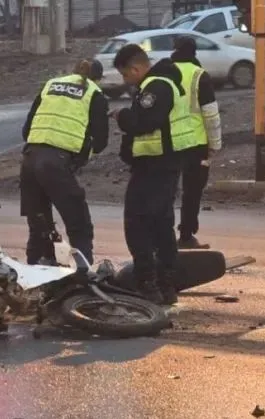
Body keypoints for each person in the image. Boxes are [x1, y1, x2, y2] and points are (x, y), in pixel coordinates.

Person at [112, 43, 193, 306]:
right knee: (161, 226)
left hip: (154, 166)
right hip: (163, 165)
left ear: (136, 68)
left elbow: (144, 123)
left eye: (125, 74)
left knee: (138, 225)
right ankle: (166, 286)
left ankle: (148, 284)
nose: (126, 80)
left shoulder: (156, 87)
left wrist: (122, 116)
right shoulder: (164, 82)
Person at [19, 59, 109, 265]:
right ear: (98, 78)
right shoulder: (94, 93)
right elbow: (100, 142)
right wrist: (79, 156)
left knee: (39, 227)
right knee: (79, 225)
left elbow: (27, 131)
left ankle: (35, 273)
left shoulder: (50, 85)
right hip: (57, 164)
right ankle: (83, 272)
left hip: (29, 160)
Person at [171, 36, 223, 250]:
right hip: (195, 143)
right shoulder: (199, 75)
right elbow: (210, 115)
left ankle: (162, 236)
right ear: (194, 52)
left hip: (168, 142)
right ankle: (186, 236)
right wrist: (215, 144)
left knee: (165, 190)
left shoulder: (164, 72)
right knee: (192, 191)